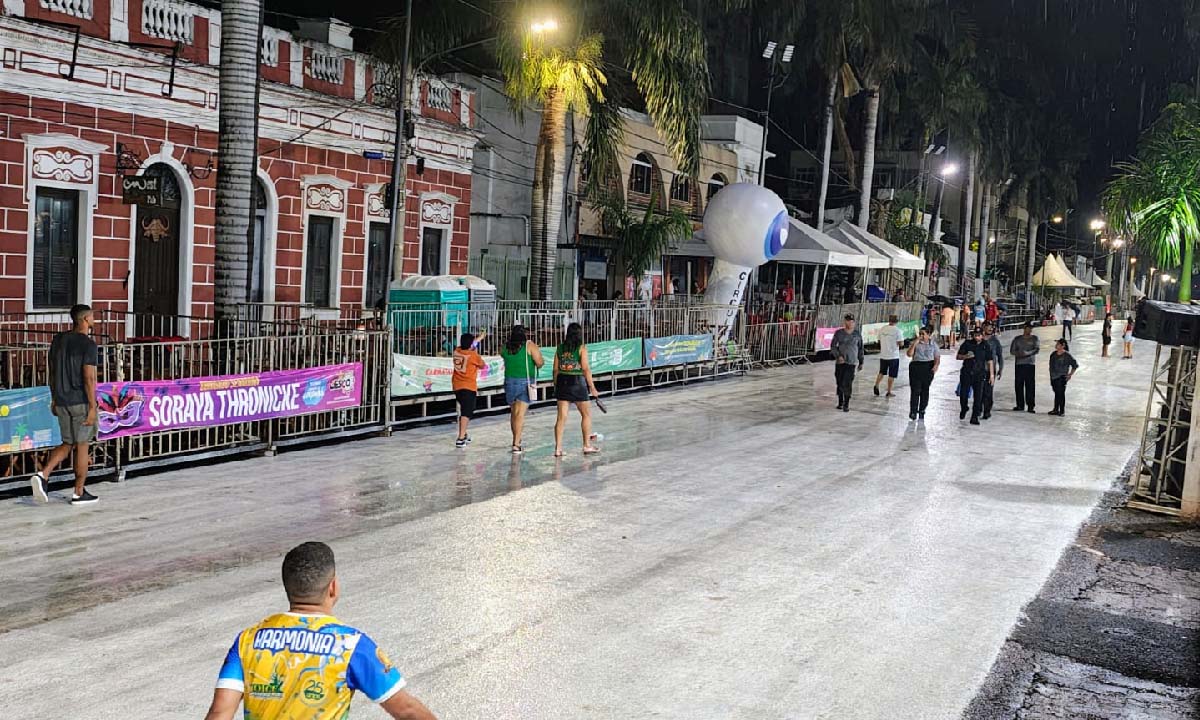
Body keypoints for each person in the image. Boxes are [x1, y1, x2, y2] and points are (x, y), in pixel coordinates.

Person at [204, 542, 437, 720]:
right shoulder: (351, 645)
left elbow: (219, 714)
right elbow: (407, 711)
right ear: (333, 587)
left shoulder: (248, 640)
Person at [31, 304, 99, 505]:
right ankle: (79, 492)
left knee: (68, 443)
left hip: (61, 398)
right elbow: (89, 378)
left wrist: (54, 397)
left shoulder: (58, 340)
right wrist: (93, 406)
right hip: (80, 401)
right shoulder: (88, 345)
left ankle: (43, 474)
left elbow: (52, 371)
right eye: (93, 316)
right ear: (85, 319)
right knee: (82, 446)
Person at [553, 322, 600, 456]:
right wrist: (592, 387)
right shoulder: (581, 348)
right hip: (577, 383)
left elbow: (555, 369)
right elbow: (585, 369)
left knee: (561, 418)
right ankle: (586, 445)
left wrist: (556, 385)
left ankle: (558, 448)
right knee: (586, 415)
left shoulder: (560, 348)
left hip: (562, 382)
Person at [500, 324, 545, 454]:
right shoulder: (529, 346)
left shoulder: (505, 347)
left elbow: (503, 356)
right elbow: (540, 362)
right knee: (520, 414)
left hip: (509, 382)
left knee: (514, 413)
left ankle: (516, 440)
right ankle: (516, 444)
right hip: (525, 382)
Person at [451, 333, 486, 449]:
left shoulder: (457, 351)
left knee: (464, 410)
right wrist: (475, 349)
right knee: (466, 412)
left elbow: (470, 345)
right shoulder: (473, 356)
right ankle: (460, 439)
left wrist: (479, 339)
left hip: (457, 386)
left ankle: (464, 433)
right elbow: (482, 365)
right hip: (468, 387)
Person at [956, 326, 994, 425]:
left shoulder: (986, 345)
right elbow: (958, 356)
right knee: (963, 394)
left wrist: (992, 375)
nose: (977, 337)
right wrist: (965, 356)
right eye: (975, 335)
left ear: (982, 336)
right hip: (967, 373)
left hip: (979, 374)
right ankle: (964, 408)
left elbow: (990, 361)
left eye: (979, 335)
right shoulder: (967, 344)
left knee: (978, 397)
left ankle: (974, 417)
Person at [830, 313, 864, 412]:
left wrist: (861, 361)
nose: (849, 323)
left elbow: (861, 348)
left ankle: (846, 403)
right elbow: (833, 346)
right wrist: (838, 356)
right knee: (840, 382)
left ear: (854, 322)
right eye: (847, 321)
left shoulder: (857, 334)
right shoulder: (839, 333)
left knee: (847, 383)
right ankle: (840, 401)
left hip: (851, 362)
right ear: (844, 321)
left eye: (851, 321)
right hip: (840, 362)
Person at [906, 325, 941, 420]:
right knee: (915, 390)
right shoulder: (915, 343)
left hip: (928, 367)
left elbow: (937, 356)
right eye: (920, 334)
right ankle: (913, 411)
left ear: (928, 335)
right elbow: (909, 354)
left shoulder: (933, 344)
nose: (921, 336)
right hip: (916, 366)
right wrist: (915, 343)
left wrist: (935, 366)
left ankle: (922, 409)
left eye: (923, 334)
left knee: (925, 390)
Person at [1010, 321, 1040, 413]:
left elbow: (1037, 349)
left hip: (1030, 364)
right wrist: (1019, 354)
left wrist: (1027, 353)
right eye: (1029, 328)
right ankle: (1020, 405)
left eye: (1031, 328)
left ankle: (1030, 405)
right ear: (1024, 328)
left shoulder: (1035, 338)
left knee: (1030, 385)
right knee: (1019, 385)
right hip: (1019, 364)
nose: (1030, 330)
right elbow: (1012, 351)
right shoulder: (1017, 339)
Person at [1048, 338, 1080, 416]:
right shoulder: (1053, 354)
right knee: (1056, 394)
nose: (1056, 345)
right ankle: (1056, 409)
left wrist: (1070, 374)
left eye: (1058, 344)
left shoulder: (1067, 355)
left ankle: (1062, 411)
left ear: (1063, 346)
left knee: (1061, 394)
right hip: (1053, 377)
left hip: (1061, 377)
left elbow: (1075, 365)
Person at [873, 314, 902, 398]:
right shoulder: (897, 330)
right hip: (893, 356)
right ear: (897, 321)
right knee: (892, 375)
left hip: (883, 355)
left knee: (882, 372)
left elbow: (878, 340)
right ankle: (889, 391)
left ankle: (876, 384)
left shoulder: (882, 329)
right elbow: (901, 343)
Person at [982, 322, 1004, 419]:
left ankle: (987, 410)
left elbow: (1000, 356)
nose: (990, 329)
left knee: (988, 391)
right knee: (979, 391)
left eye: (991, 327)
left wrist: (1001, 368)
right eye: (988, 327)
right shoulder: (979, 339)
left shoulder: (995, 341)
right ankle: (979, 408)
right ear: (984, 327)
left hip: (990, 370)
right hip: (979, 370)